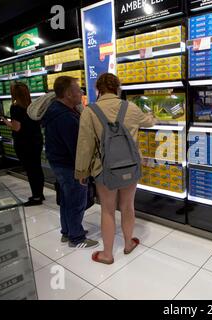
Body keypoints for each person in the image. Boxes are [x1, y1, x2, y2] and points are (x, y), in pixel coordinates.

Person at [75, 73, 156, 264]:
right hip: (130, 166)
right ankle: (128, 244)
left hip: (104, 169)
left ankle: (108, 254)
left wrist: (81, 172)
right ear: (117, 88)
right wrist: (151, 115)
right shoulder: (131, 108)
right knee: (128, 206)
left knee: (108, 210)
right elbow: (149, 122)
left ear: (98, 90)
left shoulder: (90, 111)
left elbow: (84, 145)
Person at [42, 76, 98, 249]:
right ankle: (76, 237)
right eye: (78, 89)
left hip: (58, 163)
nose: (81, 92)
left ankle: (67, 232)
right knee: (76, 201)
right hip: (70, 166)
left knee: (67, 199)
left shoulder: (57, 110)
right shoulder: (65, 117)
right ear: (68, 93)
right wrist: (84, 170)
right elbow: (77, 149)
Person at [2, 82, 44, 206]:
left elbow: (16, 127)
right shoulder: (32, 106)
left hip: (24, 143)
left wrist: (6, 121)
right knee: (37, 167)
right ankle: (40, 193)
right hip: (36, 140)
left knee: (30, 169)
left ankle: (36, 197)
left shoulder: (15, 107)